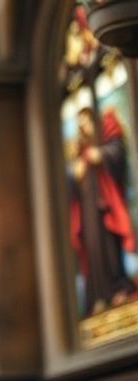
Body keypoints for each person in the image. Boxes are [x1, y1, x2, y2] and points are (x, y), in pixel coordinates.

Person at [67, 106, 137, 315]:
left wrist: (99, 155)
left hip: (106, 209)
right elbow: (70, 183)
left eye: (86, 121)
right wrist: (76, 173)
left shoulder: (106, 138)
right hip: (88, 215)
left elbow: (116, 153)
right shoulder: (80, 153)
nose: (83, 127)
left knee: (110, 249)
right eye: (80, 124)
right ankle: (99, 295)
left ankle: (118, 289)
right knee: (94, 253)